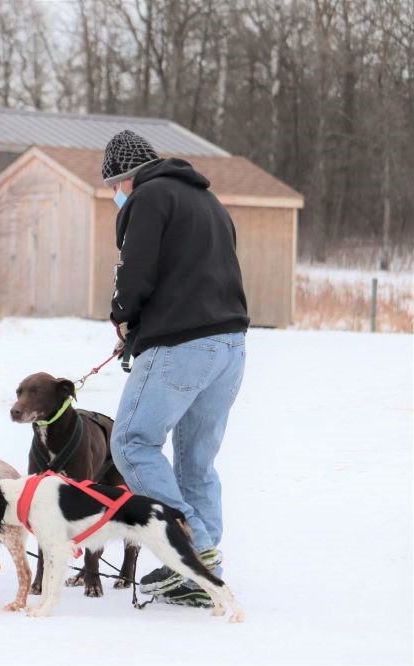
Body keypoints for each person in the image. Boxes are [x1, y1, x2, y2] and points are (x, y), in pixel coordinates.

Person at [102, 130, 249, 607]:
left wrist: (122, 315)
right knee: (195, 461)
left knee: (131, 442)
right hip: (230, 345)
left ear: (124, 178)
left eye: (112, 188)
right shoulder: (209, 201)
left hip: (183, 344)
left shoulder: (147, 197)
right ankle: (198, 573)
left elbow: (137, 271)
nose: (115, 197)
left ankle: (192, 550)